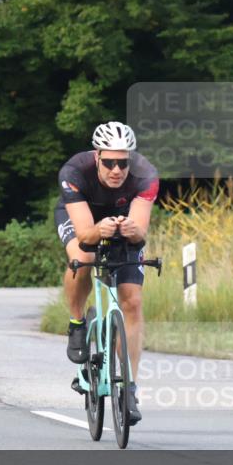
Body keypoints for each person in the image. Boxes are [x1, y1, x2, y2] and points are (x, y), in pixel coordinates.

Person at [54, 121, 159, 425]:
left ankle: (130, 388)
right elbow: (86, 235)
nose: (116, 170)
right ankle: (77, 322)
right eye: (109, 162)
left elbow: (139, 235)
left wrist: (131, 230)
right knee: (82, 257)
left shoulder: (146, 174)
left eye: (123, 163)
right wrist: (98, 231)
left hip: (122, 223)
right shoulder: (74, 172)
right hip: (83, 218)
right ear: (97, 156)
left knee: (132, 301)